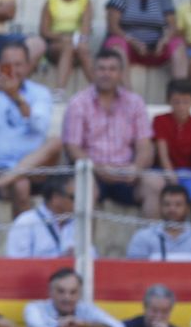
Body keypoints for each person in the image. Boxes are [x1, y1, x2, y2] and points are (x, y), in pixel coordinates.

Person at [0, 40, 60, 217]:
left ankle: (5, 181)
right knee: (20, 184)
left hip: (34, 170)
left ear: (28, 66)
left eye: (19, 65)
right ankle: (22, 242)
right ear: (0, 66)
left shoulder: (39, 93)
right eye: (8, 65)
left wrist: (15, 96)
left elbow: (40, 126)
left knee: (56, 142)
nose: (13, 70)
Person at [63, 48, 154, 210]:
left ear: (120, 73)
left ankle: (153, 236)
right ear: (93, 71)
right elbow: (72, 147)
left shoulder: (135, 102)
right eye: (102, 69)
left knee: (155, 185)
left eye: (112, 69)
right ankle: (82, 237)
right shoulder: (78, 103)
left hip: (127, 174)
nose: (106, 74)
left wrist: (136, 167)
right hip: (92, 173)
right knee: (85, 190)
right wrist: (97, 169)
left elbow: (144, 144)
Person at [104, 0, 188, 82]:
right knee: (116, 44)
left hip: (157, 50)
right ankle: (127, 97)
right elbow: (112, 27)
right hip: (129, 48)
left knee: (178, 45)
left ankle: (179, 91)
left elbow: (173, 26)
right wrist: (132, 41)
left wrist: (164, 41)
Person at [150, 80, 191, 219]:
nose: (181, 106)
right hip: (163, 172)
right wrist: (172, 179)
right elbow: (163, 155)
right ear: (168, 101)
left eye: (186, 101)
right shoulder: (160, 120)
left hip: (190, 173)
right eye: (177, 101)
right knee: (158, 193)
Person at [40, 0, 95, 94]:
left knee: (83, 49)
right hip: (55, 44)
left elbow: (86, 28)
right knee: (68, 47)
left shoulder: (85, 0)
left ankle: (100, 90)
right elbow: (44, 31)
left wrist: (77, 40)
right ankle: (59, 91)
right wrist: (64, 37)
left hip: (77, 42)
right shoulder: (51, 0)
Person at [23, 268, 125, 327]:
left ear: (80, 293)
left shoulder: (86, 309)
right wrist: (62, 326)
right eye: (61, 291)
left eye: (73, 292)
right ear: (50, 292)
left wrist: (85, 325)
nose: (67, 298)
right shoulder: (35, 308)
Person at [126, 183, 191, 260]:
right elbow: (134, 271)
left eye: (178, 204)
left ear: (187, 208)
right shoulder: (143, 238)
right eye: (167, 204)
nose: (172, 209)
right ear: (160, 207)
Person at [4, 177, 77, 258]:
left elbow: (92, 257)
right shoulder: (26, 222)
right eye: (73, 197)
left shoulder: (77, 224)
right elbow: (17, 264)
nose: (79, 202)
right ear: (56, 198)